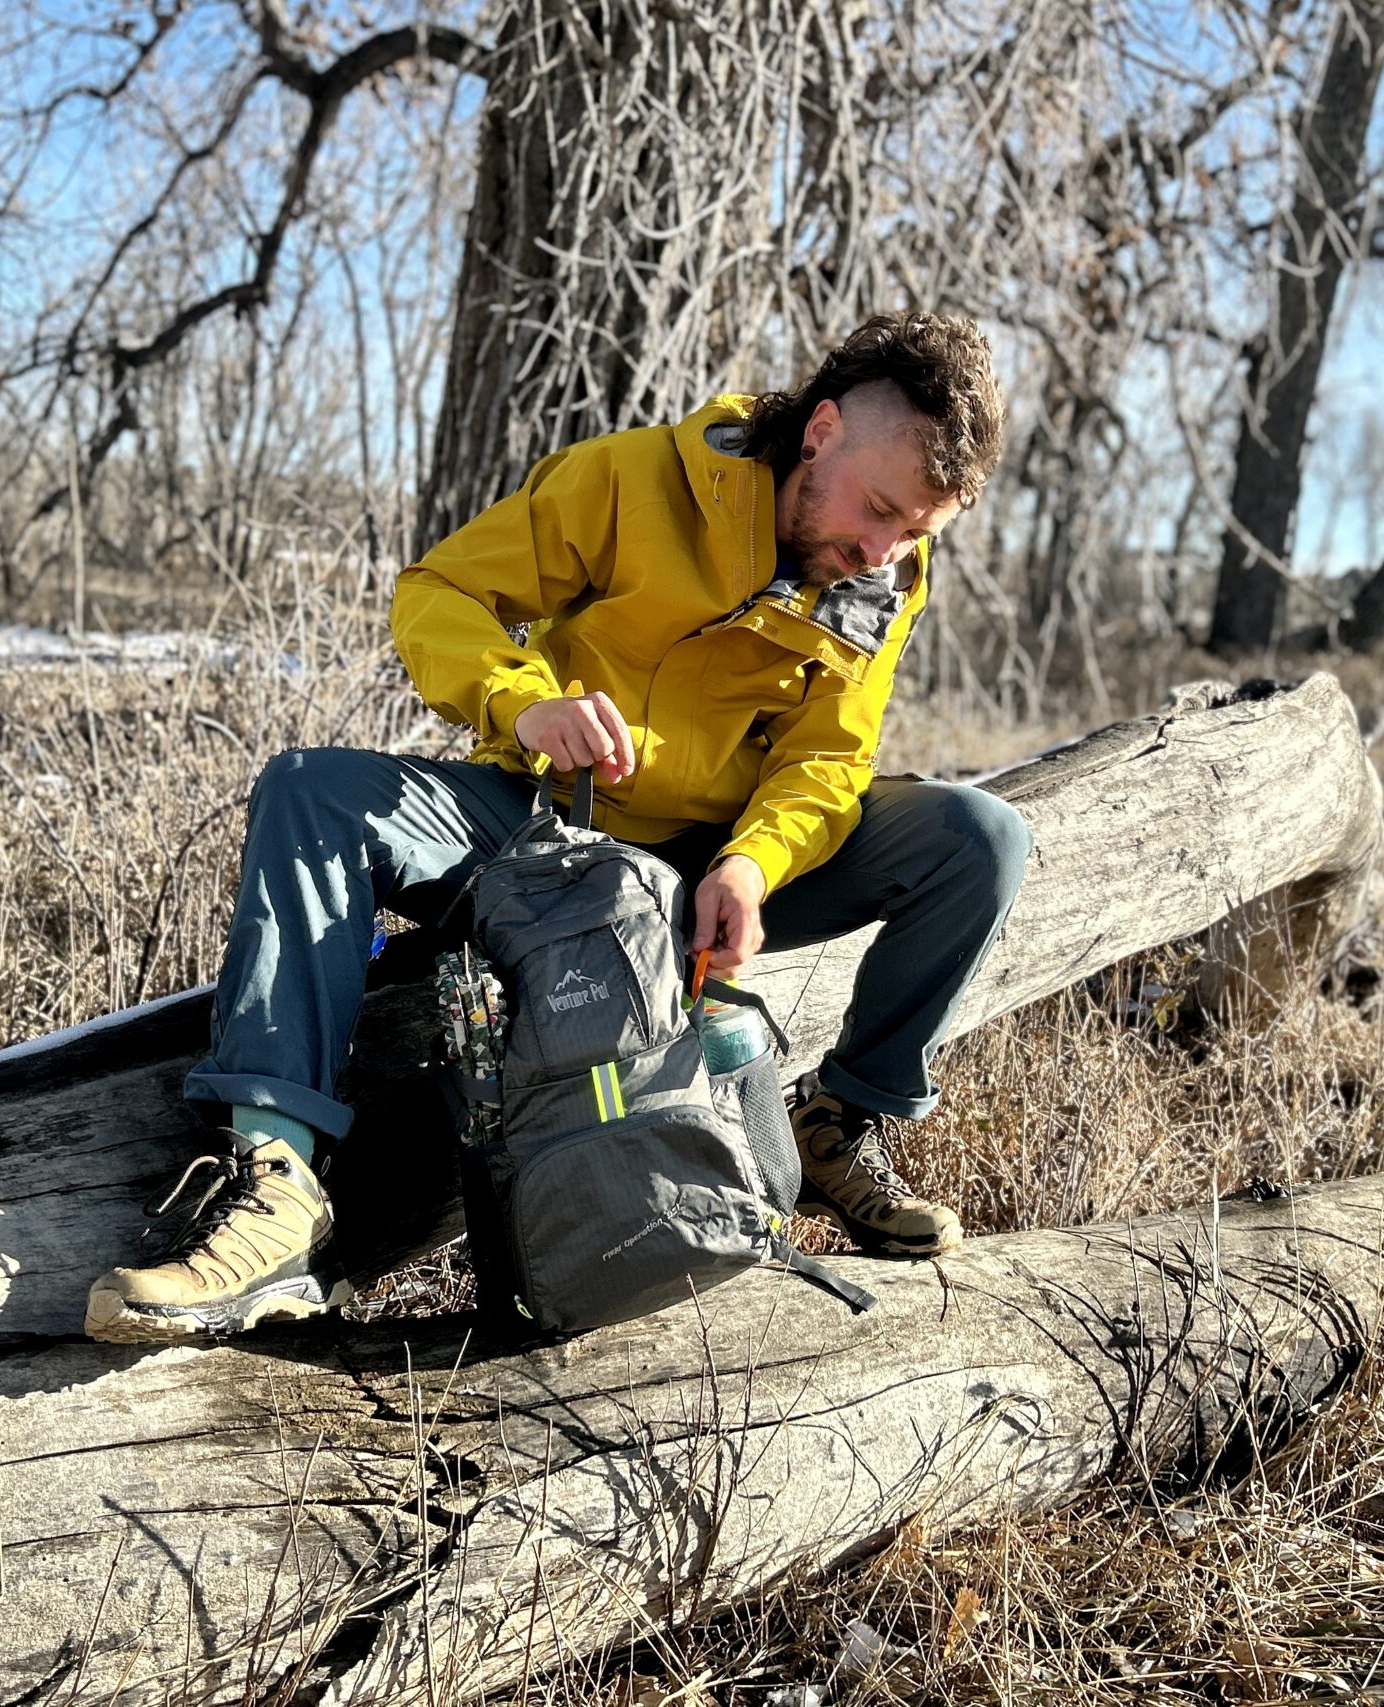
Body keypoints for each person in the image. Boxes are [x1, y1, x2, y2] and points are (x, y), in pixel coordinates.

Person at [83, 312, 1030, 1344]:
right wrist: (523, 702)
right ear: (822, 430)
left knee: (977, 839)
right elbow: (439, 592)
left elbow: (828, 759)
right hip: (544, 831)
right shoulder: (630, 480)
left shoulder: (880, 574)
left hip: (707, 869)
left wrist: (755, 867)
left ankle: (837, 1121)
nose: (881, 548)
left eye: (916, 533)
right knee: (310, 792)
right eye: (880, 507)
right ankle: (277, 1181)